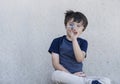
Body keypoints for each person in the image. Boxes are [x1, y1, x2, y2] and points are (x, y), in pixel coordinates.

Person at [48, 10, 111, 84]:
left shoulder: (83, 42)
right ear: (66, 26)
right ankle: (87, 82)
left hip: (80, 77)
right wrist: (71, 75)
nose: (74, 28)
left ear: (83, 29)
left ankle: (86, 82)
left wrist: (74, 39)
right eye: (71, 24)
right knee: (55, 75)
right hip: (65, 76)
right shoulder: (57, 41)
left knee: (106, 80)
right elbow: (56, 64)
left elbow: (79, 59)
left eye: (78, 26)